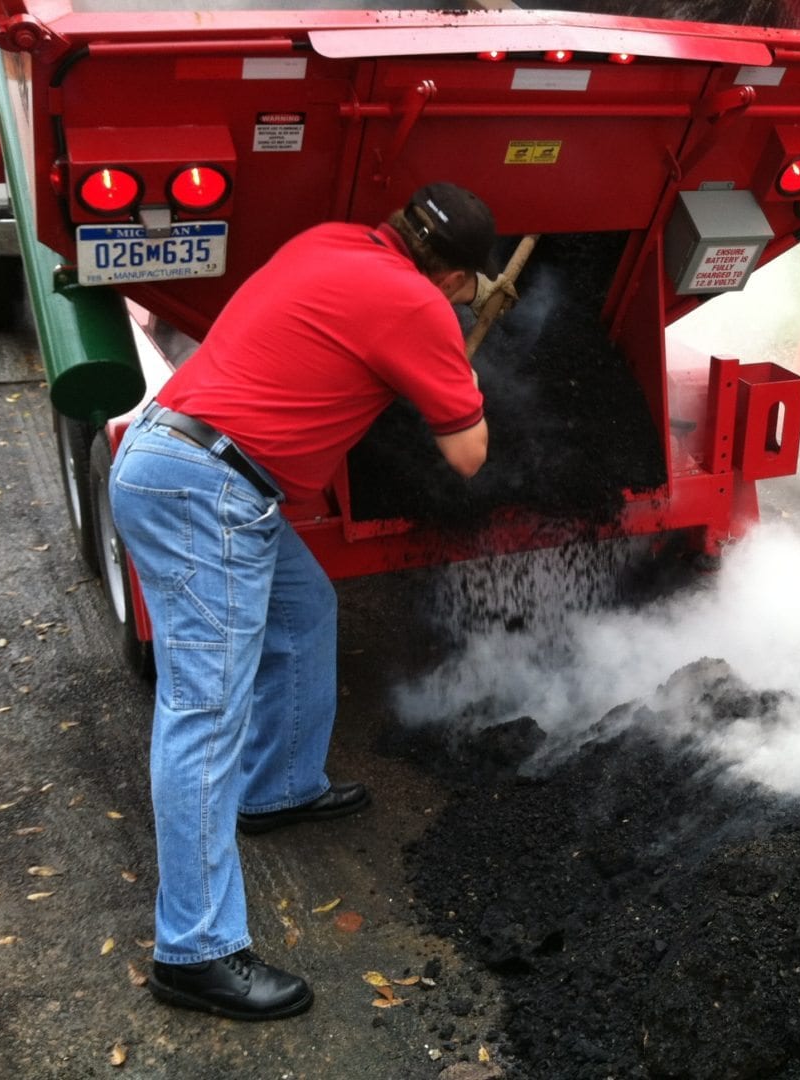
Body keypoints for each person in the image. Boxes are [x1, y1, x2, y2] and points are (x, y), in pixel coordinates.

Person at [109, 182, 507, 1020]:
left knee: (303, 611)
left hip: (179, 456)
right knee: (203, 716)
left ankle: (281, 786)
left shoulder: (330, 240)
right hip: (206, 493)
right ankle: (196, 952)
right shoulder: (419, 305)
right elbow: (469, 454)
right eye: (472, 283)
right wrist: (456, 364)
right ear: (461, 277)